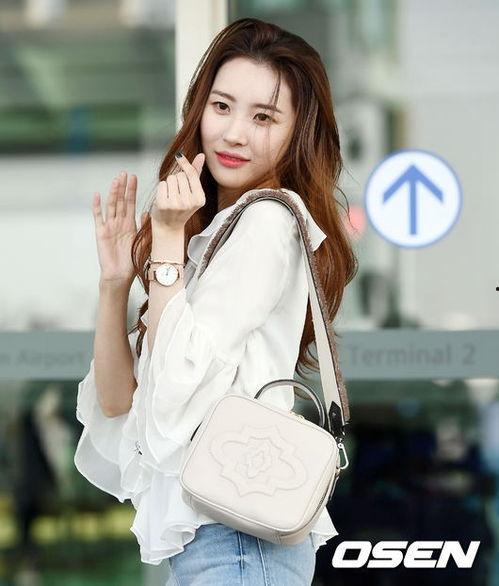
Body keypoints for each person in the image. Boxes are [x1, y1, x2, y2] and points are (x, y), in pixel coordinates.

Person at [73, 17, 357, 585]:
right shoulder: (215, 237)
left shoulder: (267, 222)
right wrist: (115, 284)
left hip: (240, 540)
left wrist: (167, 241)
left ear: (297, 132)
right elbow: (119, 401)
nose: (234, 133)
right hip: (218, 540)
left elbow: (178, 384)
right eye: (222, 107)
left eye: (263, 118)